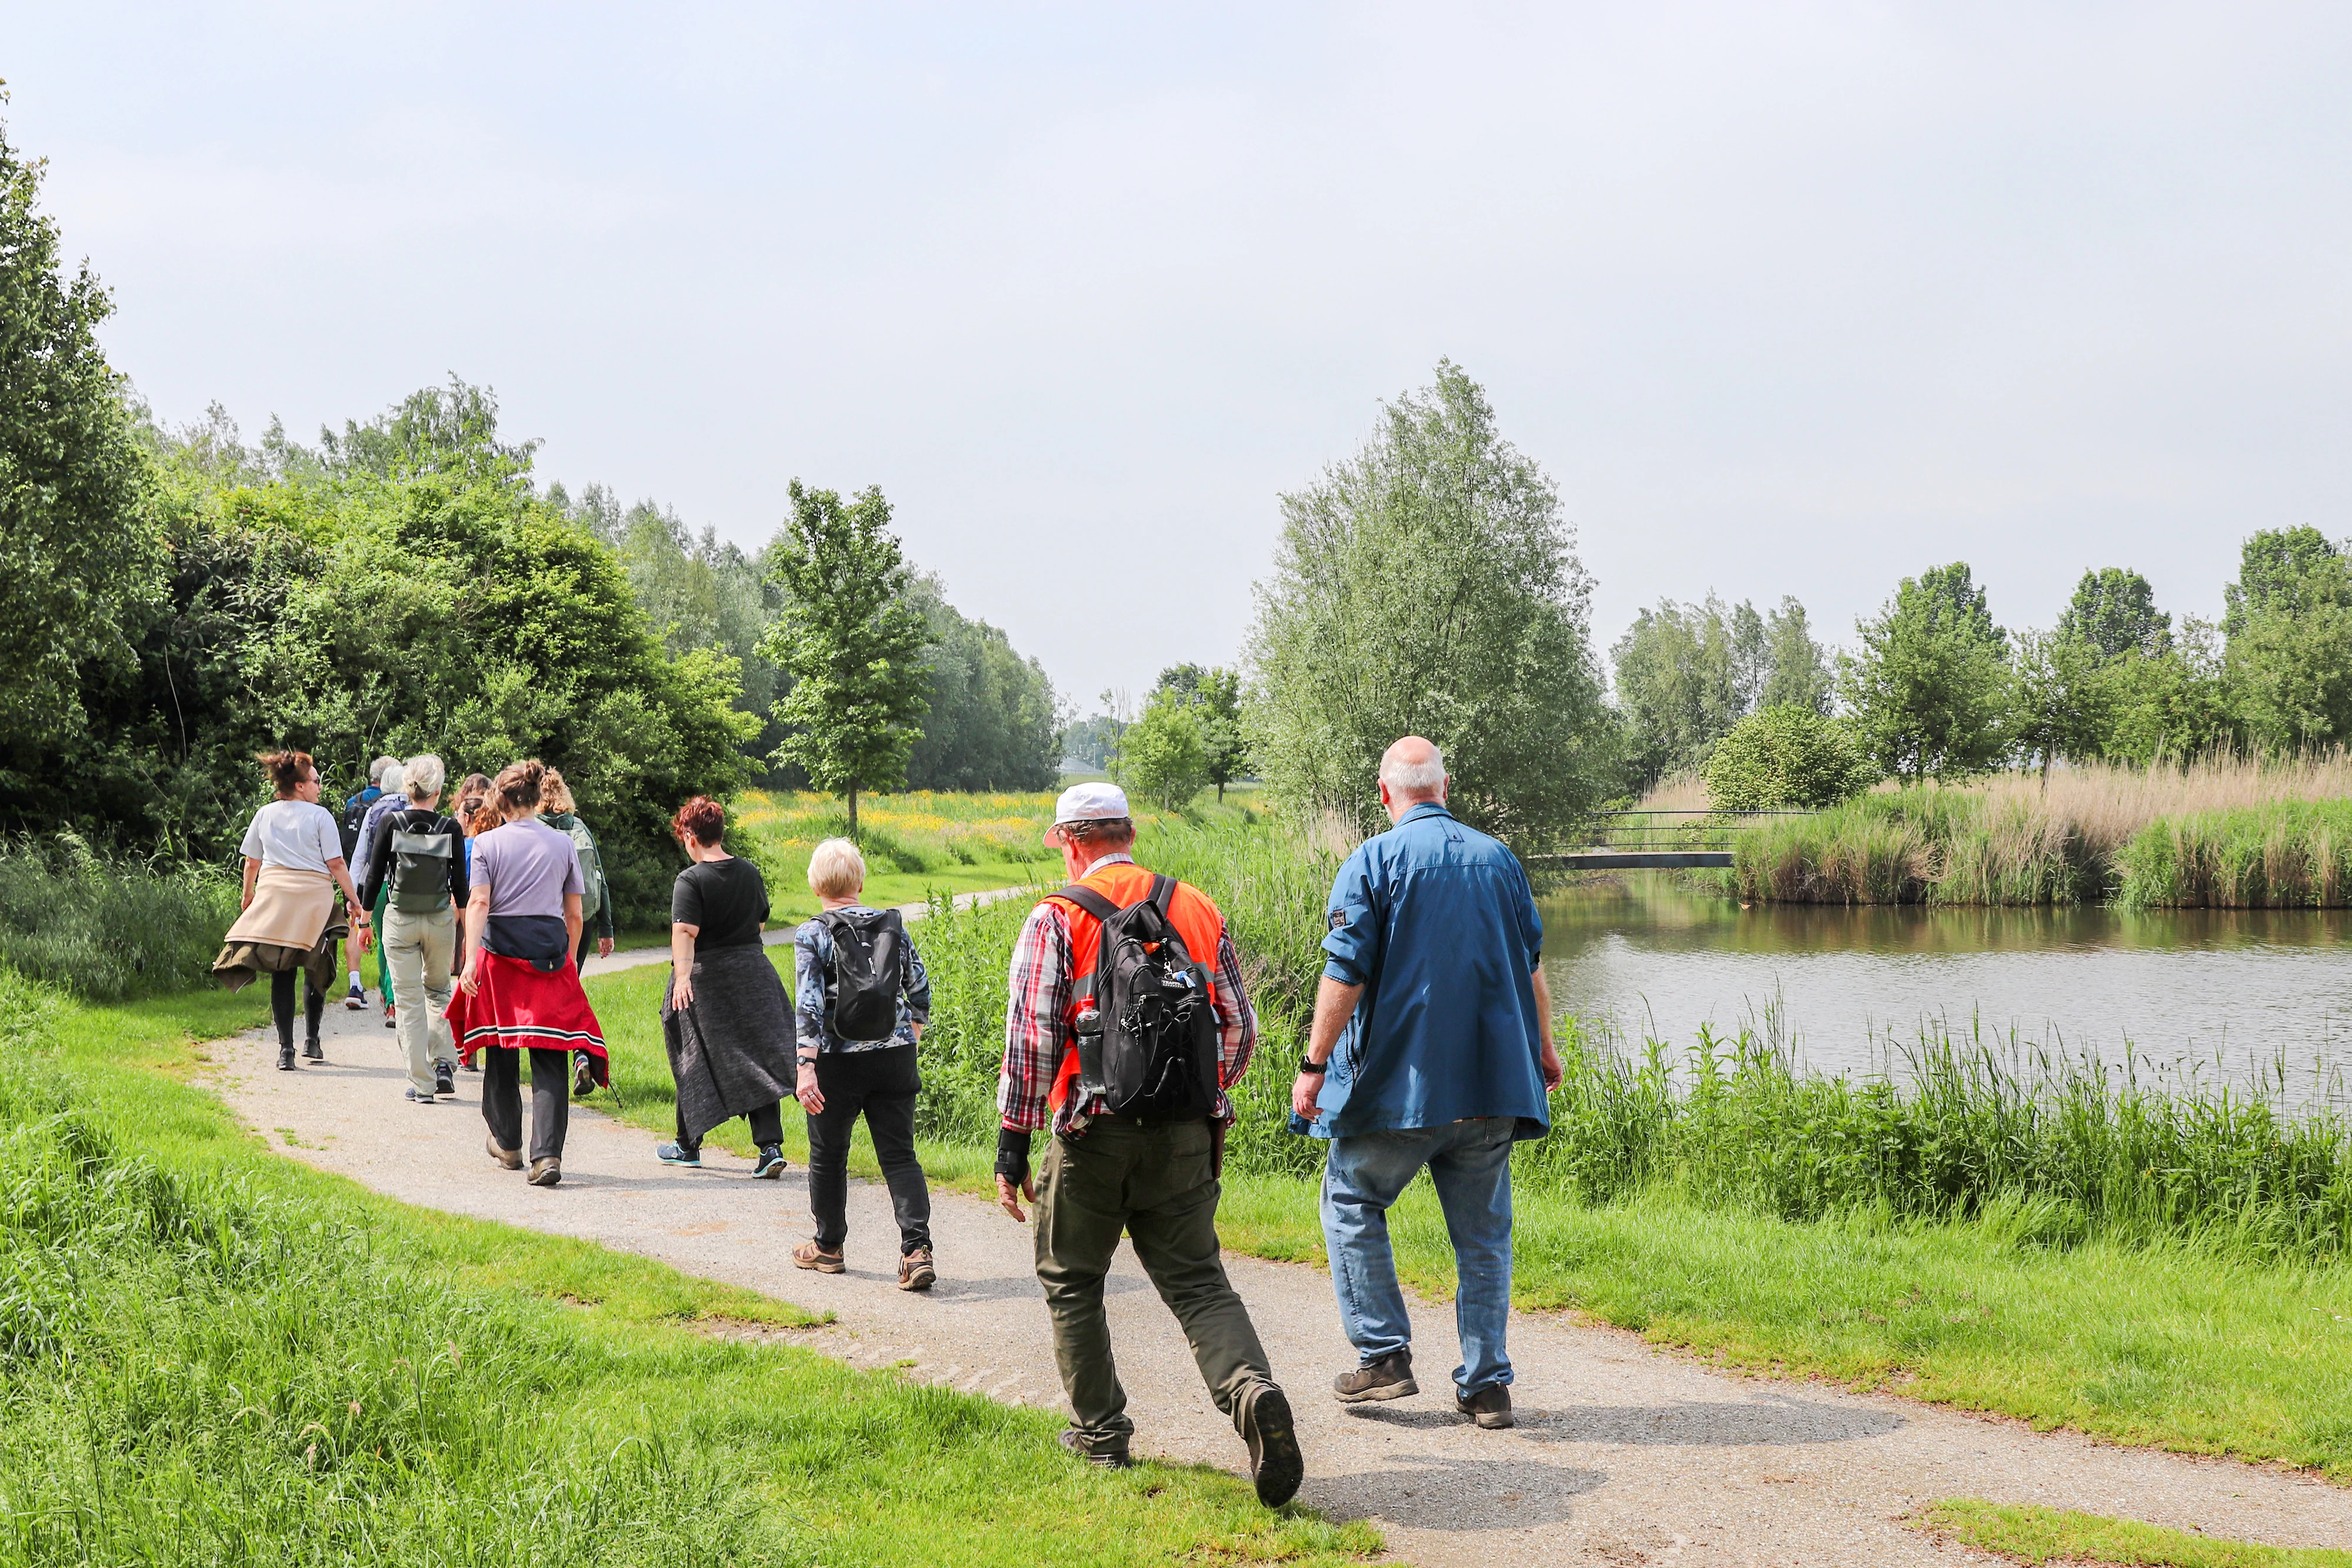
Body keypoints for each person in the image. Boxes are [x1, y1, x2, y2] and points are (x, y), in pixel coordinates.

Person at [993, 781, 1302, 1506]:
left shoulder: (1057, 915)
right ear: (1127, 832)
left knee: (1072, 1279)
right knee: (1198, 1282)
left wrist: (1013, 1143)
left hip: (1091, 1129)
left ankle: (1102, 1435)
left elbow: (1033, 1039)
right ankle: (1251, 1392)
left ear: (1070, 842)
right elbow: (1240, 1026)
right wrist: (1201, 1094)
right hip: (1186, 1136)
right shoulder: (1193, 905)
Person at [1291, 737, 1563, 1433]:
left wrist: (1315, 1064)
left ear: (1385, 794)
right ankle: (1486, 1387)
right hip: (1492, 1087)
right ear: (1446, 787)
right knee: (1482, 1239)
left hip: (1400, 1092)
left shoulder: (1373, 862)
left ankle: (1383, 1357)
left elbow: (1345, 971)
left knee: (1351, 1196)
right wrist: (1545, 1048)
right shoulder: (1499, 860)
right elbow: (1530, 963)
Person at [448, 760, 610, 1187]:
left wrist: (469, 959)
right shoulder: (563, 844)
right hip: (550, 953)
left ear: (500, 801)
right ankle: (547, 1155)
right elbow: (574, 912)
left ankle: (508, 1142)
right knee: (551, 1051)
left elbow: (479, 903)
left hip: (501, 956)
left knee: (501, 1048)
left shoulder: (487, 844)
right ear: (539, 799)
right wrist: (571, 963)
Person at [789, 836, 935, 1290]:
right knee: (900, 1155)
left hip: (836, 1062)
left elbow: (809, 1006)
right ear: (860, 880)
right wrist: (914, 1026)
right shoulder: (892, 924)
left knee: (829, 1155)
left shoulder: (812, 933)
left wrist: (805, 1065)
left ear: (817, 884)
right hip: (894, 1057)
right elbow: (920, 983)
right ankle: (916, 1250)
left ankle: (829, 1247)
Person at [653, 796, 798, 1181]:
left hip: (707, 978)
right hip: (754, 973)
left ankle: (687, 1146)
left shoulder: (691, 879)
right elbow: (761, 923)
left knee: (693, 1054)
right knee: (757, 1056)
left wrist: (682, 977)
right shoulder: (749, 872)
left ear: (690, 836)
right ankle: (770, 1148)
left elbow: (685, 931)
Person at [215, 750, 371, 1070]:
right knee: (315, 967)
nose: (319, 787)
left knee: (282, 972)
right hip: (314, 902)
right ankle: (312, 1040)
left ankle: (286, 1049)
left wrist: (249, 896)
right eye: (315, 781)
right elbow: (337, 864)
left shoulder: (265, 814)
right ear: (300, 786)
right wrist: (353, 900)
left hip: (275, 902)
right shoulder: (320, 817)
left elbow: (252, 862)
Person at [361, 753, 467, 1105]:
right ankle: (444, 1067)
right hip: (439, 920)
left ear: (409, 788)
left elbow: (374, 877)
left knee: (408, 1002)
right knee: (438, 992)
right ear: (437, 790)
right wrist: (464, 924)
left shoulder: (390, 823)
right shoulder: (451, 828)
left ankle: (422, 1085)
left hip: (401, 920)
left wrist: (364, 922)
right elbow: (461, 885)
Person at [539, 768, 616, 1097]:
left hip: (542, 922)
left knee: (541, 994)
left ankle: (545, 1058)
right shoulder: (580, 828)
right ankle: (580, 1053)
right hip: (578, 923)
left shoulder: (532, 830)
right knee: (569, 989)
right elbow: (600, 879)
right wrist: (606, 928)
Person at [350, 760, 412, 1030]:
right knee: (405, 945)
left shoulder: (374, 810)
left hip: (376, 891)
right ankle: (394, 1000)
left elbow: (360, 856)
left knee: (386, 943)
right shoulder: (412, 810)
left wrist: (352, 896)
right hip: (406, 888)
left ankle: (390, 1000)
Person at [338, 755, 399, 1009]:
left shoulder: (356, 802)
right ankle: (392, 997)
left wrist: (349, 892)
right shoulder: (392, 805)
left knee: (357, 928)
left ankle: (355, 983)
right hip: (385, 878)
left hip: (356, 876)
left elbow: (354, 849)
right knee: (390, 937)